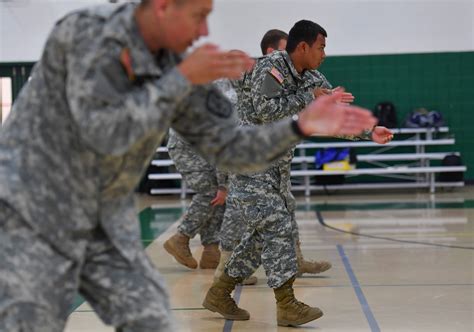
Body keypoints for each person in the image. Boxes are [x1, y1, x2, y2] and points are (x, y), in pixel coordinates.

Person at [0, 1, 377, 330]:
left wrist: (326, 125)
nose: (205, 30)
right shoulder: (87, 33)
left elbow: (228, 140)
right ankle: (274, 299)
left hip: (102, 217)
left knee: (150, 314)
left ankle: (220, 291)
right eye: (199, 15)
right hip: (33, 207)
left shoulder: (178, 64)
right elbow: (103, 129)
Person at [203, 20, 392, 327]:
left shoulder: (314, 78)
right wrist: (310, 98)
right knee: (278, 224)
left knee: (259, 239)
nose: (324, 54)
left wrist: (369, 132)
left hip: (277, 170)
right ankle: (286, 304)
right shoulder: (272, 66)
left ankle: (220, 293)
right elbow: (265, 110)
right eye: (321, 47)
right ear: (302, 47)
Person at [163, 74, 241, 270]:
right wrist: (224, 186)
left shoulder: (232, 89)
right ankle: (181, 238)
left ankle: (211, 251)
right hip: (186, 144)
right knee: (210, 192)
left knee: (216, 192)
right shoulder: (233, 99)